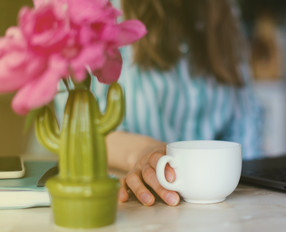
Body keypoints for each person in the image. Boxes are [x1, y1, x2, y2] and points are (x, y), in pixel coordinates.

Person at [55, 0, 264, 206]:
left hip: (213, 208)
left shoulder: (223, 13)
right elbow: (79, 131)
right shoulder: (103, 12)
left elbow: (244, 122)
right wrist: (145, 153)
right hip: (133, 206)